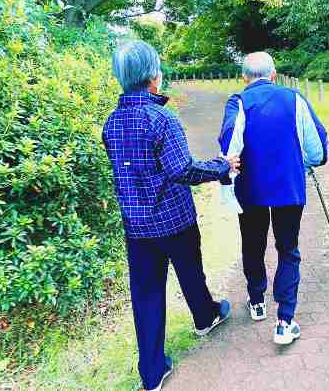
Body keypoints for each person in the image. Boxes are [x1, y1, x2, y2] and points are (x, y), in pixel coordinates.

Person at [102, 41, 239, 391]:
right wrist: (221, 167)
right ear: (153, 77)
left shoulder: (112, 122)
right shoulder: (161, 117)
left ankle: (151, 372)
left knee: (145, 294)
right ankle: (205, 317)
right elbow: (182, 170)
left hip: (136, 226)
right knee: (191, 272)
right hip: (174, 219)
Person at [218, 52, 328, 345]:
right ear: (274, 74)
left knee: (252, 244)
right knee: (287, 249)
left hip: (250, 189)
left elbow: (229, 146)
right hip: (289, 189)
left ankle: (257, 301)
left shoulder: (238, 102)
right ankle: (285, 321)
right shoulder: (294, 98)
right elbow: (316, 150)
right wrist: (304, 163)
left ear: (244, 78)